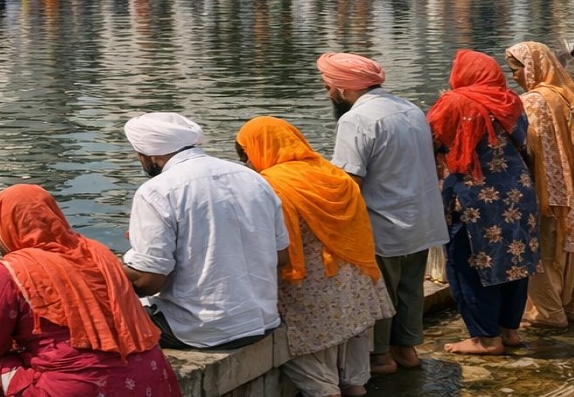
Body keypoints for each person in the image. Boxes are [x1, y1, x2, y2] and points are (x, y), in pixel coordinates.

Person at [0, 185, 178, 397]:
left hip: (79, 387)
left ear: (4, 227)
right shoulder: (98, 252)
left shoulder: (11, 270)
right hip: (152, 377)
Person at [234, 117, 391, 397]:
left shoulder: (271, 185)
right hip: (354, 277)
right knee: (352, 349)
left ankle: (325, 391)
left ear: (257, 148)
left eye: (245, 154)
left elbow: (275, 246)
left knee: (305, 349)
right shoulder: (333, 172)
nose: (248, 163)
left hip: (311, 283)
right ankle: (355, 386)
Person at [318, 52, 448, 374]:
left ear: (342, 89)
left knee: (380, 291)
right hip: (422, 218)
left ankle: (380, 357)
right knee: (410, 288)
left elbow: (350, 181)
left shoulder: (356, 119)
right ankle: (407, 350)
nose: (327, 93)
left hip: (384, 220)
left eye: (328, 86)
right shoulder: (410, 108)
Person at [119, 112, 286, 349]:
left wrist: (109, 267)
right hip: (261, 321)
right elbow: (281, 256)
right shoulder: (253, 178)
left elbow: (149, 281)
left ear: (147, 154)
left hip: (201, 332)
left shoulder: (156, 191)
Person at [427, 49, 541, 355]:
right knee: (513, 261)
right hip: (518, 189)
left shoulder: (455, 102)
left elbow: (431, 139)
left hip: (474, 197)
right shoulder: (511, 100)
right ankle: (509, 331)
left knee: (470, 263)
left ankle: (485, 339)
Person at [504, 41, 574, 328]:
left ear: (535, 67)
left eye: (517, 70)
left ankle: (547, 313)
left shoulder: (534, 101)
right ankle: (572, 307)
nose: (514, 77)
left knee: (546, 251)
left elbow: (531, 147)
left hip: (549, 189)